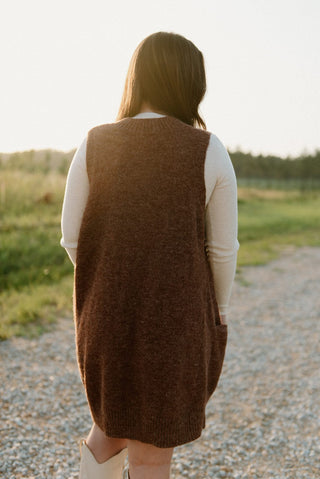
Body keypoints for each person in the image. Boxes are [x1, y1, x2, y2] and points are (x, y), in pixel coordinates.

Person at [60, 31, 239, 479]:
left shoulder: (93, 143)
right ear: (190, 83)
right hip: (176, 320)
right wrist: (217, 314)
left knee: (108, 424)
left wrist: (110, 283)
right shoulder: (208, 149)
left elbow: (71, 238)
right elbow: (222, 250)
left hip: (106, 312)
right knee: (153, 449)